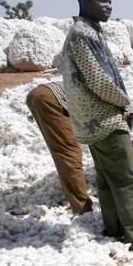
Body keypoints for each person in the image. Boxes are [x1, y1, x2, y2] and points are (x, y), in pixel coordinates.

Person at [62, 0, 133, 250]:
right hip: (103, 119)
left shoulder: (89, 32)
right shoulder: (83, 35)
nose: (109, 6)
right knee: (128, 178)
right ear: (84, 2)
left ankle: (114, 228)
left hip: (93, 121)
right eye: (102, 1)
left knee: (107, 178)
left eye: (109, 1)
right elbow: (99, 82)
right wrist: (129, 105)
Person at [26, 82, 93, 214]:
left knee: (64, 151)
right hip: (50, 99)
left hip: (45, 94)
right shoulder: (117, 105)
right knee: (68, 152)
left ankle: (78, 200)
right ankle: (81, 207)